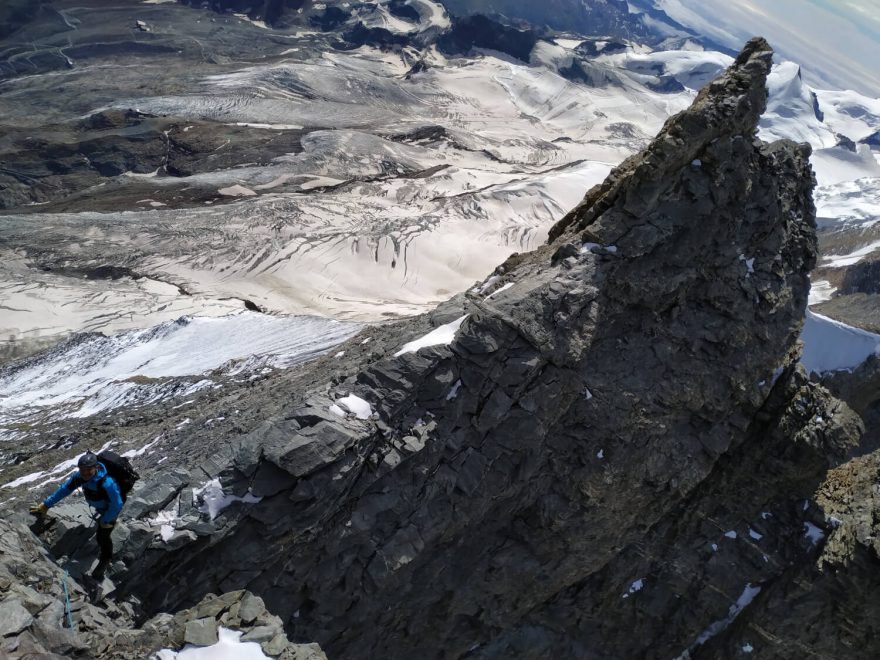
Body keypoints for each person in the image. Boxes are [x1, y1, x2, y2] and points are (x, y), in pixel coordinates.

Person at [30, 451, 124, 579]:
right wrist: (46, 505)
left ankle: (105, 560)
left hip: (110, 509)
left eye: (88, 470)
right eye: (82, 470)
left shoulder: (107, 482)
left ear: (96, 467)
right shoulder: (78, 477)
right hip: (100, 505)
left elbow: (117, 504)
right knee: (101, 530)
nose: (85, 473)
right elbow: (64, 490)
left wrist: (106, 520)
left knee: (103, 536)